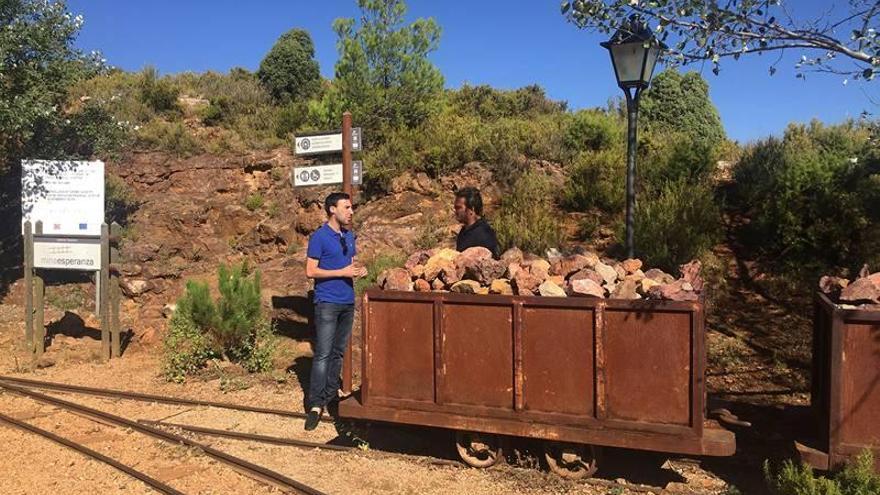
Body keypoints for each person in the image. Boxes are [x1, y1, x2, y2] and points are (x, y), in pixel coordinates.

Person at [303, 192, 367, 431]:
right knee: (323, 354)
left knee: (338, 353)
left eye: (352, 208)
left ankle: (330, 396)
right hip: (327, 302)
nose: (351, 211)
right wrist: (341, 272)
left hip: (347, 302)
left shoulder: (349, 236)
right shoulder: (319, 237)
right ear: (332, 209)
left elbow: (351, 264)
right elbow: (311, 271)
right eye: (347, 207)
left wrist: (361, 271)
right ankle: (315, 405)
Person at [454, 187, 499, 258]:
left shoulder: (484, 234)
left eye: (459, 208)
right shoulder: (464, 232)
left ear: (471, 209)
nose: (455, 212)